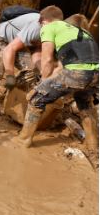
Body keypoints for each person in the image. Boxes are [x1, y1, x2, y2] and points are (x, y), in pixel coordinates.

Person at [16, 10, 98, 148]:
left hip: (78, 73)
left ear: (43, 21)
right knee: (84, 104)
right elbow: (62, 68)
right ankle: (92, 143)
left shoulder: (49, 27)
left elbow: (47, 59)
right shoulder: (84, 32)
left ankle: (23, 139)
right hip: (96, 75)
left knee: (36, 98)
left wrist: (40, 87)